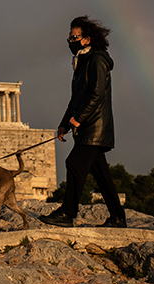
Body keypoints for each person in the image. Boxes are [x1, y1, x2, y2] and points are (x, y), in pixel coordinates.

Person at [40, 15, 127, 228]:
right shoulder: (81, 62)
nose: (70, 41)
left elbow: (96, 94)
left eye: (74, 37)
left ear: (87, 39)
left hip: (94, 128)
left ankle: (68, 213)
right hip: (87, 127)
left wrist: (78, 119)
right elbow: (76, 99)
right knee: (102, 175)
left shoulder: (97, 59)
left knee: (74, 163)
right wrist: (64, 124)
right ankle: (118, 218)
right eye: (69, 38)